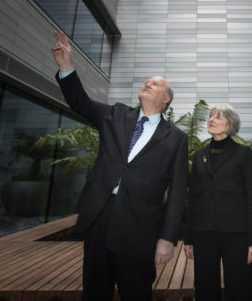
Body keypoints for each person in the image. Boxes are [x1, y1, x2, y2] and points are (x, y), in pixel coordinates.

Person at [51, 30, 188, 301]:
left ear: (165, 100)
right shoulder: (114, 114)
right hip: (99, 216)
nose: (147, 84)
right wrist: (67, 66)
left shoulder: (176, 139)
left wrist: (167, 238)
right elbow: (81, 102)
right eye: (146, 82)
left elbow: (177, 193)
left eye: (155, 84)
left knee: (136, 292)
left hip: (139, 227)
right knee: (95, 292)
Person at [183, 104, 252, 301]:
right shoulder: (199, 155)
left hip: (237, 234)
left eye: (218, 116)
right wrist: (189, 238)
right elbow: (193, 198)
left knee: (240, 287)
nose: (212, 119)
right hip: (203, 233)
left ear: (230, 124)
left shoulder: (243, 153)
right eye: (211, 115)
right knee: (205, 287)